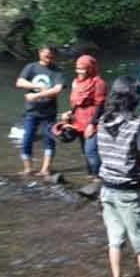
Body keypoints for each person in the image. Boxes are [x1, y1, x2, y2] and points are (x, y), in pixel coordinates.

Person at [97, 76, 140, 277]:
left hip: (106, 187)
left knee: (115, 238)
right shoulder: (135, 125)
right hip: (129, 191)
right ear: (133, 99)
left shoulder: (102, 122)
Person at [15, 46, 65, 176]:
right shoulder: (31, 67)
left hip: (49, 112)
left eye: (50, 55)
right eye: (46, 54)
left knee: (49, 140)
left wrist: (36, 95)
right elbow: (19, 82)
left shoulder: (57, 70)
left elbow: (57, 90)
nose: (48, 57)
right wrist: (37, 86)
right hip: (31, 111)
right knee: (27, 139)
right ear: (40, 53)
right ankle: (28, 168)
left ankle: (45, 169)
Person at [62, 54, 107, 180]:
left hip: (92, 121)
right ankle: (90, 177)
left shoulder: (98, 83)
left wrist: (93, 124)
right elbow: (75, 103)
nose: (80, 71)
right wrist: (68, 114)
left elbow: (100, 105)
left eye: (83, 68)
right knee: (85, 152)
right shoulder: (76, 82)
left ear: (90, 68)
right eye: (78, 68)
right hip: (78, 120)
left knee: (91, 150)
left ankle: (99, 178)